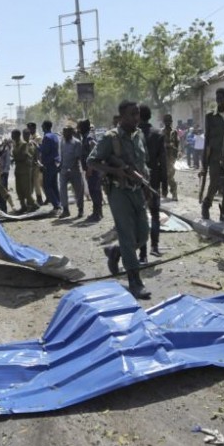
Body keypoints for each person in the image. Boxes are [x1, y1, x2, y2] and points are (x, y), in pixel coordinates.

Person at [88, 100, 153, 299]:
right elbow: (91, 161)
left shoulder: (139, 134)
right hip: (118, 191)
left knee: (143, 235)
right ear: (122, 116)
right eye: (132, 114)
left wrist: (147, 185)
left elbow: (144, 163)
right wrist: (116, 170)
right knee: (126, 234)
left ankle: (116, 252)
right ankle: (134, 280)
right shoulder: (110, 138)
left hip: (137, 190)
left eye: (138, 114)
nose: (136, 118)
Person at [201, 87, 224, 222]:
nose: (219, 99)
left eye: (221, 97)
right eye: (217, 97)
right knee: (214, 183)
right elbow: (207, 139)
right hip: (215, 156)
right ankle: (206, 204)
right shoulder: (210, 117)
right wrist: (204, 162)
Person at [137, 105, 167, 259]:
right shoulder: (157, 134)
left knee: (140, 216)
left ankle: (142, 253)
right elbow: (163, 161)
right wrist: (165, 183)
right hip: (154, 180)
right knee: (154, 214)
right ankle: (154, 246)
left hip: (137, 180)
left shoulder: (134, 134)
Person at [58, 125, 86, 218]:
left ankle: (80, 209)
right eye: (63, 132)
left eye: (66, 132)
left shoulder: (77, 142)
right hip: (64, 170)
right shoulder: (62, 142)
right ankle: (65, 210)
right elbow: (62, 155)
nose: (64, 134)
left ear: (71, 132)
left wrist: (71, 167)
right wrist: (60, 166)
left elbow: (77, 157)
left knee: (78, 190)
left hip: (75, 170)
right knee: (62, 190)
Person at [78, 120, 103, 222]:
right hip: (93, 169)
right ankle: (98, 212)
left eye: (79, 127)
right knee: (96, 191)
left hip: (92, 170)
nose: (78, 129)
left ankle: (96, 214)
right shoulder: (87, 136)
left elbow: (93, 152)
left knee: (94, 191)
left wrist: (90, 168)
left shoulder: (89, 137)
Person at [11, 129, 38, 212]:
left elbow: (24, 156)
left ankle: (34, 205)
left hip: (25, 170)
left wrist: (15, 159)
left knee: (27, 190)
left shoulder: (24, 144)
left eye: (13, 135)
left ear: (17, 135)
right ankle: (23, 206)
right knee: (19, 189)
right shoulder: (15, 144)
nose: (12, 136)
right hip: (18, 169)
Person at [39, 120, 62, 212]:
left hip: (48, 164)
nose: (41, 127)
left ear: (45, 127)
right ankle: (59, 203)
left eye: (42, 126)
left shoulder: (47, 137)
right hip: (55, 163)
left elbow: (45, 151)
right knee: (54, 185)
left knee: (47, 186)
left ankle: (56, 205)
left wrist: (37, 146)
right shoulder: (55, 136)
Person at [26, 123, 46, 205]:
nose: (29, 130)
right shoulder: (30, 137)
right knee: (38, 182)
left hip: (38, 163)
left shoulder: (38, 138)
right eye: (28, 128)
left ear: (34, 128)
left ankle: (40, 199)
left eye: (30, 128)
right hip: (32, 164)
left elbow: (40, 152)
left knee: (37, 182)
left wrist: (40, 163)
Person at [162, 114, 179, 200]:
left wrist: (176, 154)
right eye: (166, 121)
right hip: (163, 156)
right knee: (164, 175)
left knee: (170, 175)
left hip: (171, 157)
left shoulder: (174, 132)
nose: (167, 123)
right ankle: (165, 192)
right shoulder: (161, 132)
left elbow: (177, 144)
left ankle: (174, 192)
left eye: (169, 121)